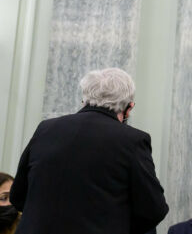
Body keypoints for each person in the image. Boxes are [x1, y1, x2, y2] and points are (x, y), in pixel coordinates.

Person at [10, 67, 168, 234]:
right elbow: (154, 209)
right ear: (129, 108)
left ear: (84, 100)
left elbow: (18, 195)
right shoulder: (133, 140)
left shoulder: (46, 129)